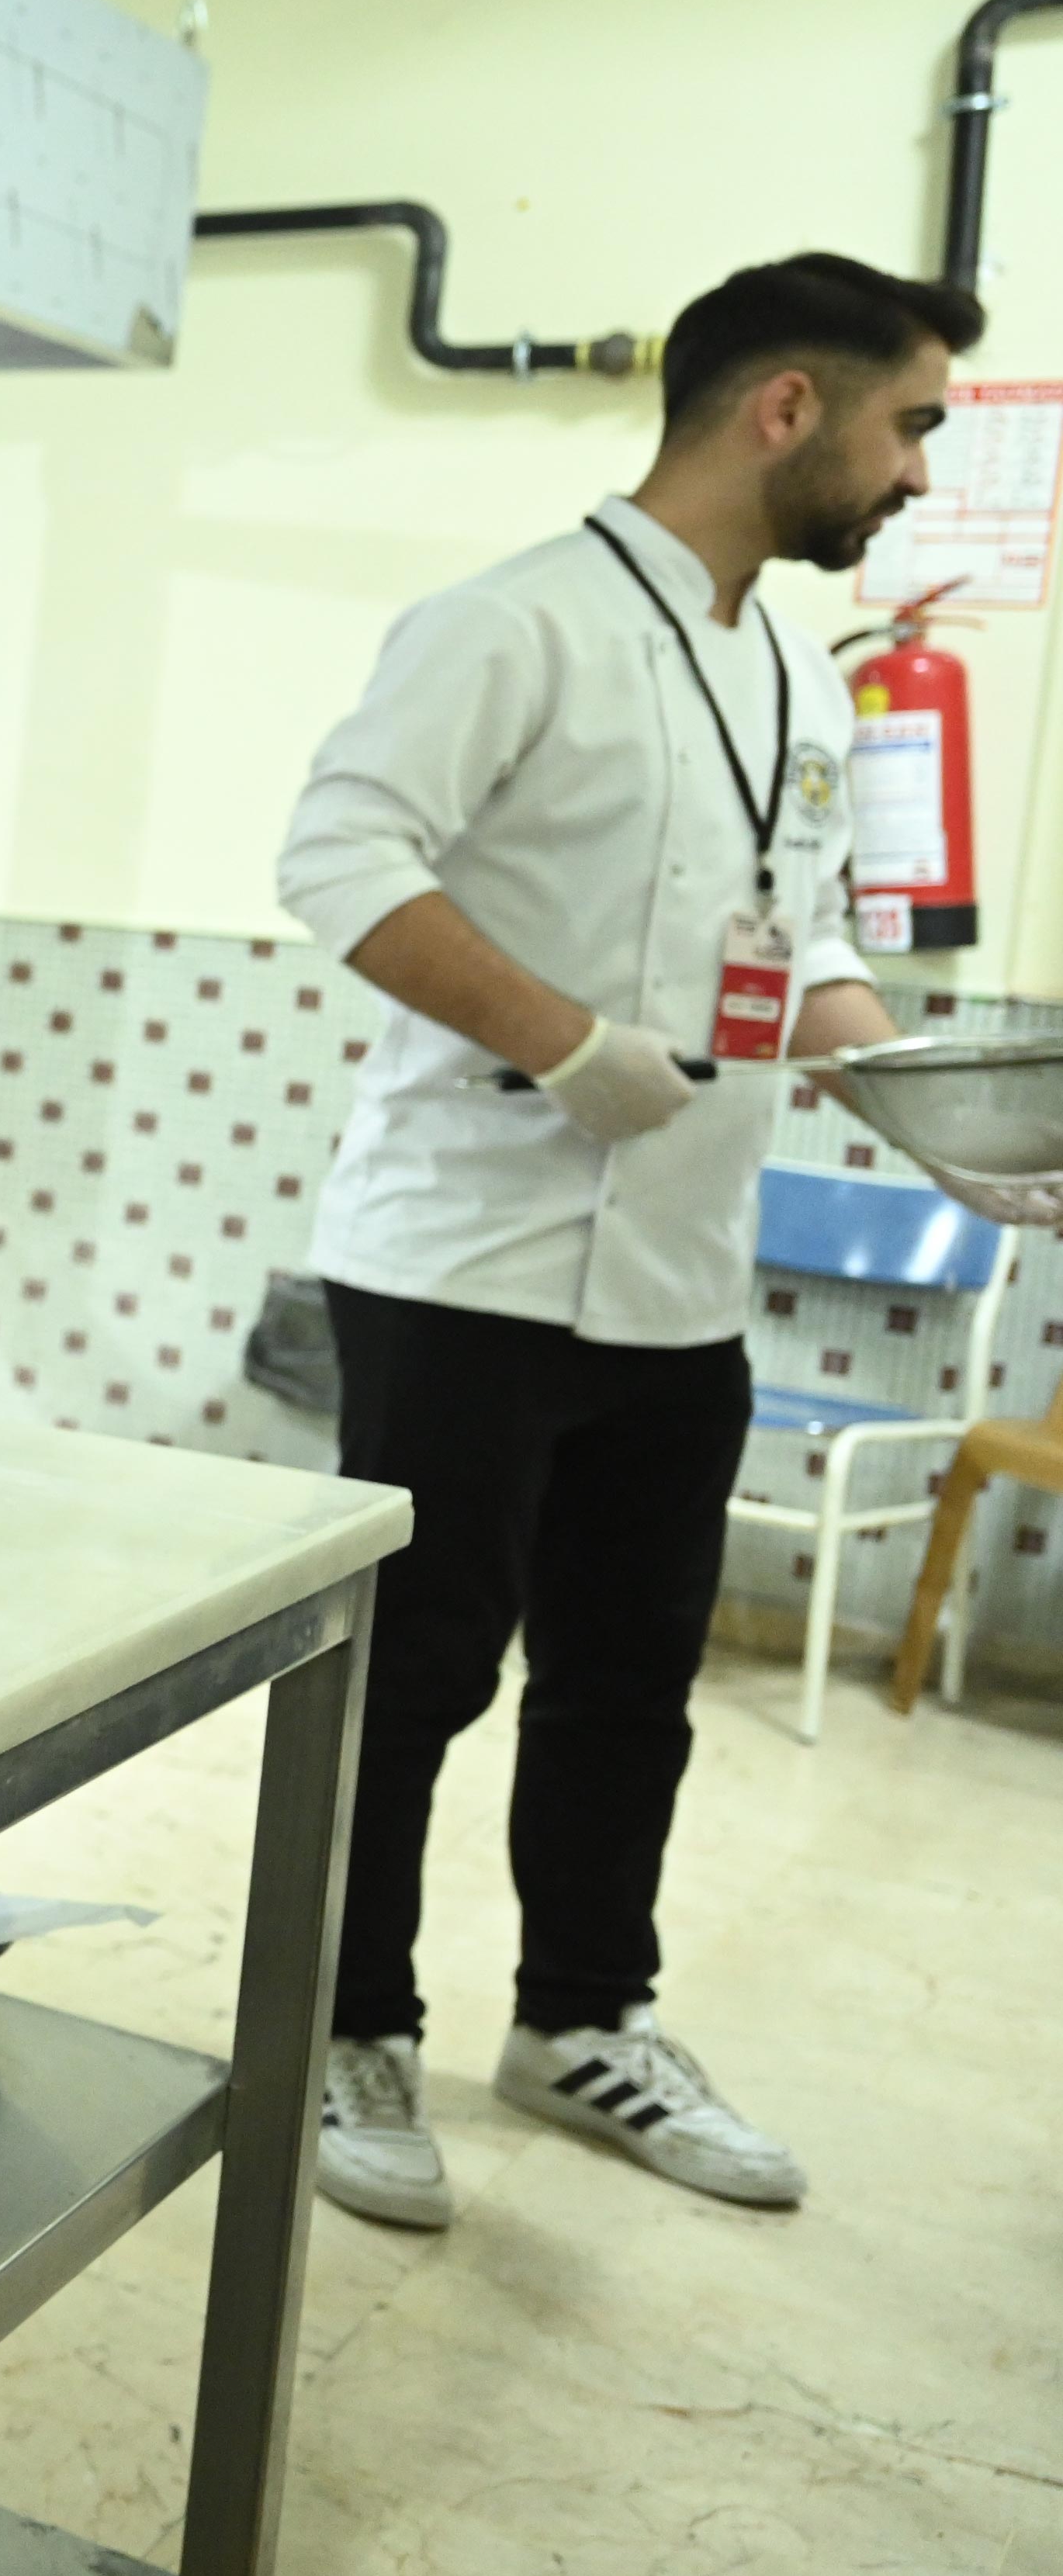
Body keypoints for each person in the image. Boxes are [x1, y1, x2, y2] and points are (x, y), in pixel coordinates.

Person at [275, 249, 973, 2231]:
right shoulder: (511, 623)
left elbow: (799, 945)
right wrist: (562, 1043)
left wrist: (947, 1119)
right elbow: (333, 852)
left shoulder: (784, 667)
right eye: (906, 418)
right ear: (784, 406)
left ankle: (581, 2018)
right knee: (409, 1676)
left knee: (626, 1681)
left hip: (677, 1270)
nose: (913, 468)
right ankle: (344, 2023)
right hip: (459, 1262)